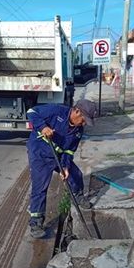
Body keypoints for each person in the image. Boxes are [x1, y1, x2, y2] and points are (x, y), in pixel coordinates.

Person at [25, 99, 97, 238]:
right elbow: (31, 112)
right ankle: (36, 222)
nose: (83, 124)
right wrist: (43, 127)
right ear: (77, 111)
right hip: (41, 154)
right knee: (40, 188)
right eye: (83, 119)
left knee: (75, 174)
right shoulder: (57, 111)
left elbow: (69, 151)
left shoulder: (78, 130)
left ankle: (77, 196)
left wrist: (65, 167)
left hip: (58, 155)